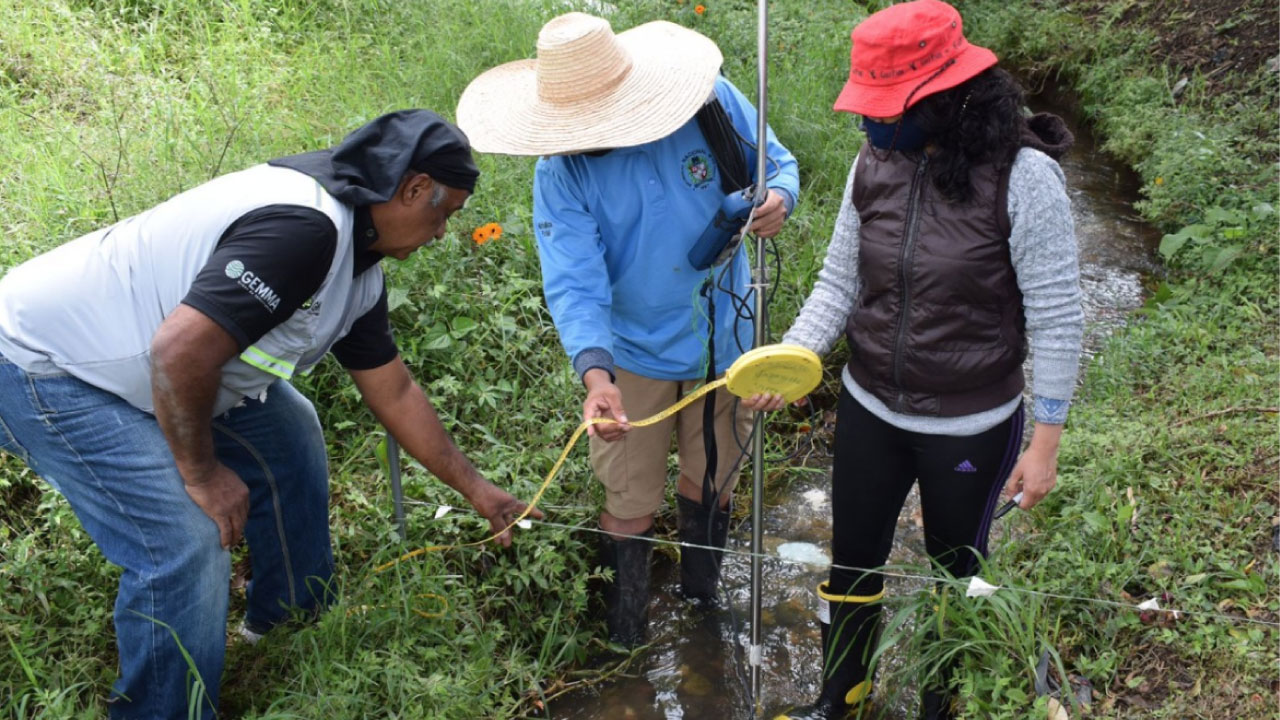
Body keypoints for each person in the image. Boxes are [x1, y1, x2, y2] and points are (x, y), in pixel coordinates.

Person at [0, 110, 541, 719]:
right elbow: (179, 353)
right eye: (444, 213)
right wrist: (203, 475)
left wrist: (478, 491)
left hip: (168, 365)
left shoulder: (360, 262)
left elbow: (393, 391)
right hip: (46, 364)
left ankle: (291, 619)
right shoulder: (304, 228)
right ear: (412, 189)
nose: (443, 232)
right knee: (183, 537)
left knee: (291, 438)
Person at [749, 2, 1083, 718]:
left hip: (972, 422)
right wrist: (795, 356)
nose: (868, 122)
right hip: (871, 405)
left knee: (956, 576)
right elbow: (840, 278)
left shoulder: (1024, 178)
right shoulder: (875, 162)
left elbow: (1057, 314)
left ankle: (942, 705)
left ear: (947, 99)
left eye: (885, 107)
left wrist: (1046, 440)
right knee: (853, 562)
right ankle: (842, 697)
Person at [456, 12, 800, 646]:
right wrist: (596, 374)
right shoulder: (562, 173)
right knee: (630, 494)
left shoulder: (708, 103)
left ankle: (702, 607)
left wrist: (779, 197)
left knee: (714, 475)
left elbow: (776, 163)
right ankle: (628, 636)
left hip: (726, 332)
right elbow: (575, 281)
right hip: (630, 353)